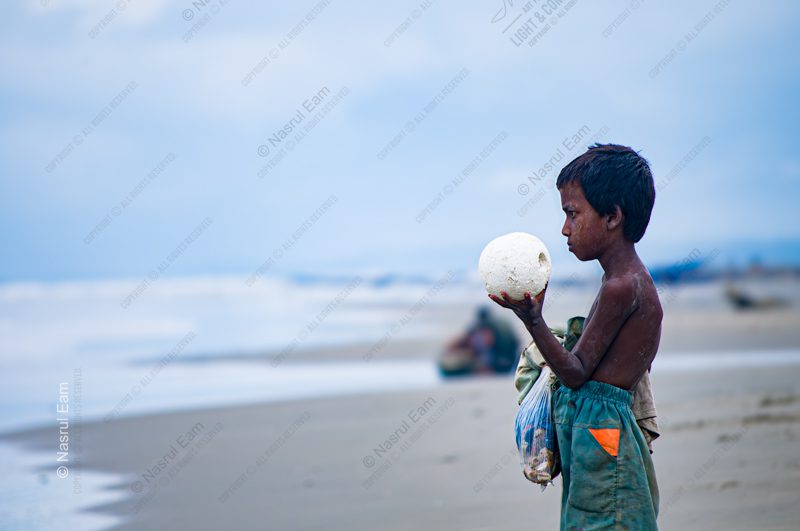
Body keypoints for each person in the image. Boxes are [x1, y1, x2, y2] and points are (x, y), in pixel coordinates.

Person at [490, 144, 661, 530]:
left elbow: (575, 371)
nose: (565, 228)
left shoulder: (622, 287)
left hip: (603, 435)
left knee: (603, 520)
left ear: (613, 217)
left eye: (572, 214)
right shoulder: (623, 280)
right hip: (599, 433)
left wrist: (532, 320)